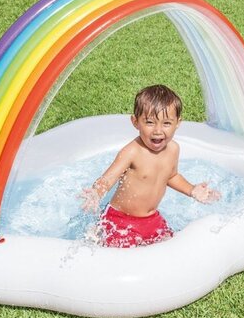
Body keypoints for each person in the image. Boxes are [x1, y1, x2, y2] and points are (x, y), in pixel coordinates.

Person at [80, 85, 219, 248]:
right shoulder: (132, 152)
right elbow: (108, 179)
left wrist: (192, 190)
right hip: (120, 219)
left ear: (177, 123)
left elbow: (172, 176)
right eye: (150, 122)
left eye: (166, 123)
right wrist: (97, 192)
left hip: (151, 219)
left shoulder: (173, 149)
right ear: (135, 122)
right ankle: (96, 232)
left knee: (172, 247)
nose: (158, 131)